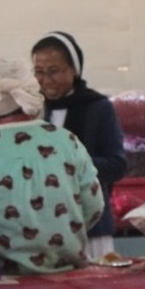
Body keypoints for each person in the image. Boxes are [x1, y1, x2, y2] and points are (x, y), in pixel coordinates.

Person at [0, 59, 104, 275]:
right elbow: (94, 206)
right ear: (33, 91)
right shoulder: (67, 141)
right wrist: (58, 234)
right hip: (65, 269)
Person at [31, 32, 127, 258]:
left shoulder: (98, 107)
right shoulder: (31, 109)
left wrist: (69, 164)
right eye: (39, 72)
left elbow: (117, 165)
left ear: (74, 69)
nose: (46, 80)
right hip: (41, 224)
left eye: (53, 71)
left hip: (90, 225)